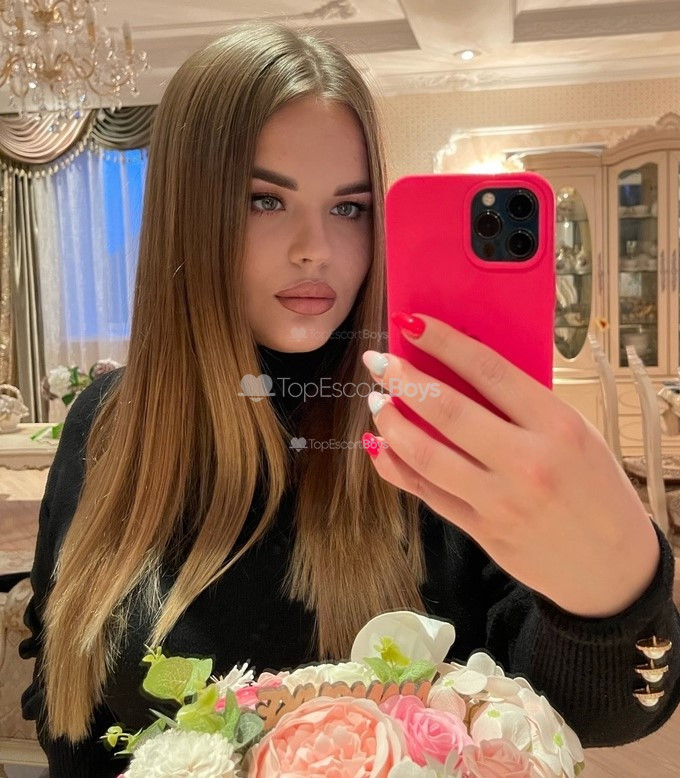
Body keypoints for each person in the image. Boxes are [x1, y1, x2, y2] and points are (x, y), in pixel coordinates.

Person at [19, 20, 680, 777]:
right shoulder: (106, 424)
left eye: (350, 208)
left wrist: (616, 596)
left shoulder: (422, 425)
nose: (317, 249)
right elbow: (63, 693)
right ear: (186, 215)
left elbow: (585, 709)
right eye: (264, 201)